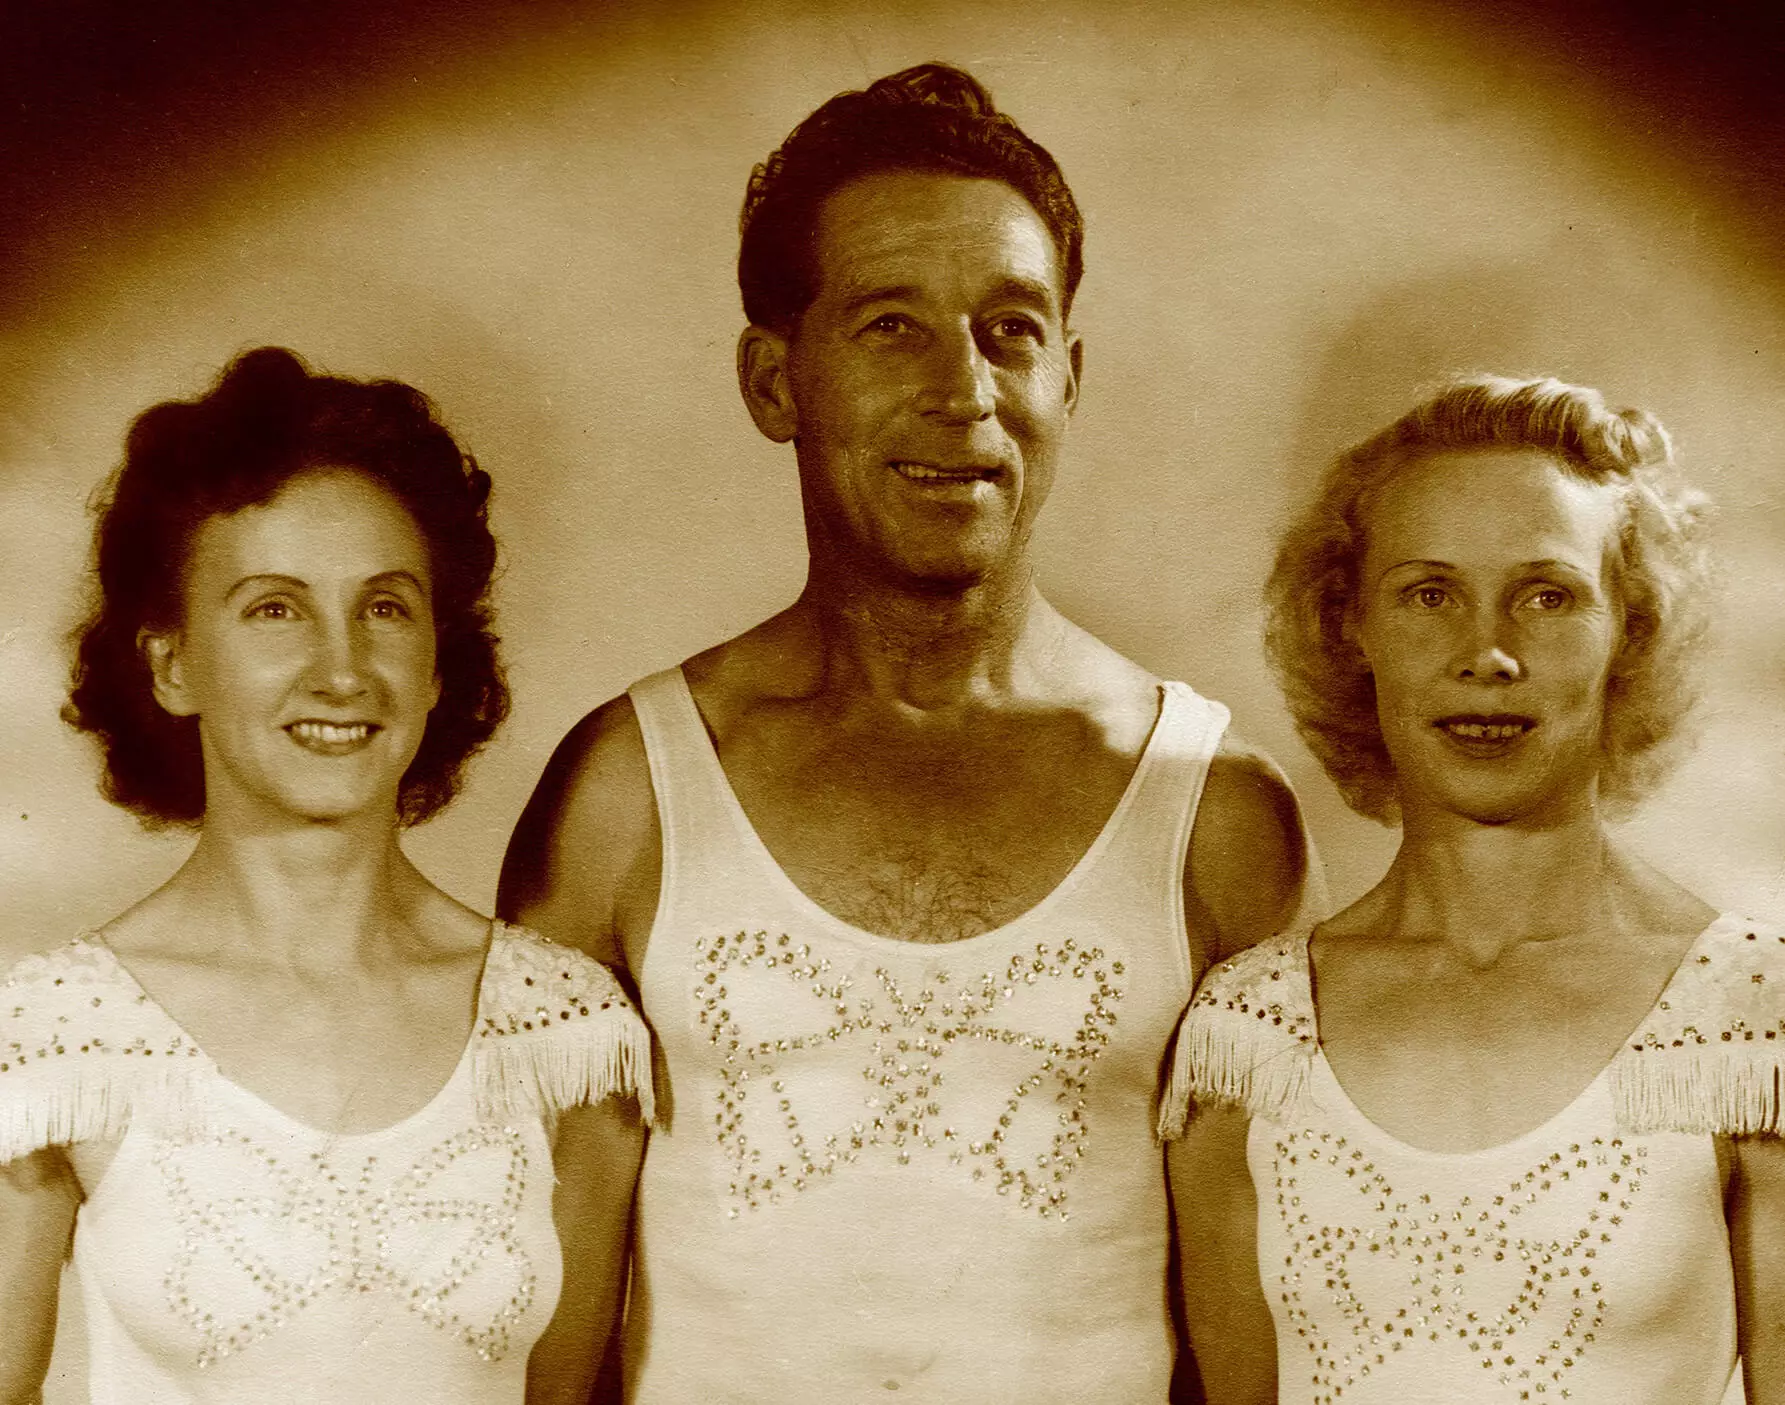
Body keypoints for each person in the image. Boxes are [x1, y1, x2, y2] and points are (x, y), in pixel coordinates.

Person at [499, 64, 1313, 1401]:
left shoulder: (1212, 809)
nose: (963, 391)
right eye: (891, 327)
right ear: (774, 380)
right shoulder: (625, 792)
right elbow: (533, 1324)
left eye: (1010, 330)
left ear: (1071, 373)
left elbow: (1279, 1326)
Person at [0, 348, 653, 1405]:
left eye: (386, 607)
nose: (342, 668)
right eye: (274, 608)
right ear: (169, 664)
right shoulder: (55, 1040)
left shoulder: (566, 1032)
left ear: (440, 662)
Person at [1164, 375, 1785, 1404]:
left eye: (1548, 596)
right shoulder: (1248, 1035)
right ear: (1350, 625)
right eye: (1429, 593)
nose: (1487, 655)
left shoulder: (1749, 1025)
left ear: (1629, 627)